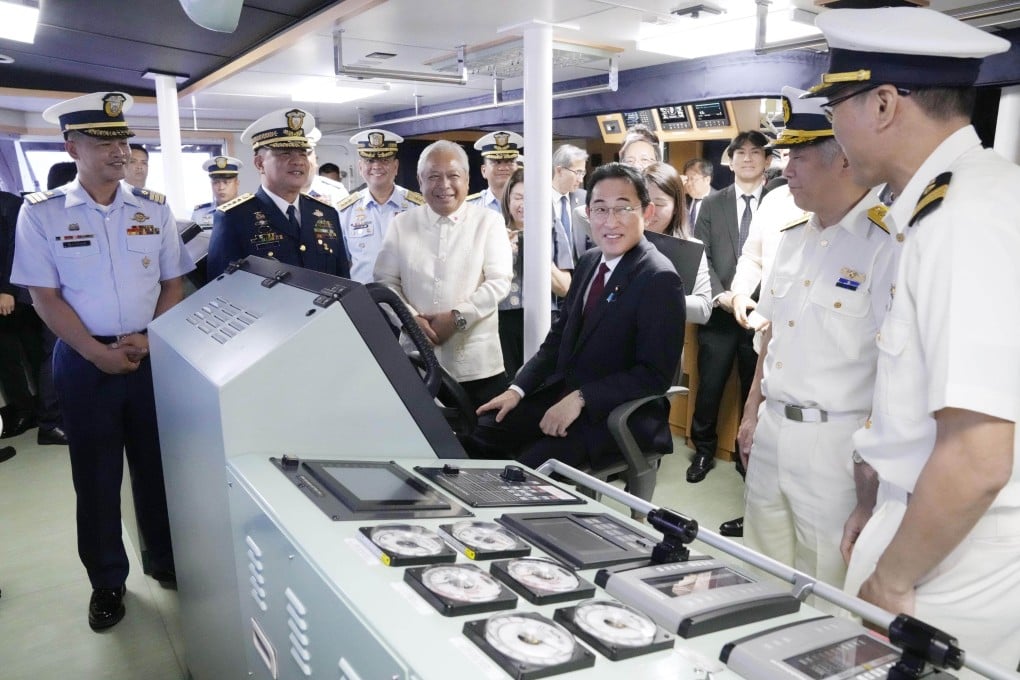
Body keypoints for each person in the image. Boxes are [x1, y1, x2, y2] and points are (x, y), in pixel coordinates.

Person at [810, 7, 1019, 669]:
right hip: (923, 520)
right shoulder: (944, 206)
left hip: (952, 550)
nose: (832, 128)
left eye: (835, 107)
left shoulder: (967, 217)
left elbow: (979, 456)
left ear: (882, 105)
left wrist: (893, 577)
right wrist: (878, 502)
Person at [11, 91, 193, 631]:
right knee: (95, 477)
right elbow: (44, 297)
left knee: (157, 469)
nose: (119, 150)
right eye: (103, 140)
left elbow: (173, 283)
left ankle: (164, 559)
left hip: (149, 355)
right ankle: (108, 580)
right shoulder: (42, 213)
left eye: (123, 139)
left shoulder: (153, 208)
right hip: (83, 360)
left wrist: (150, 339)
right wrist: (96, 352)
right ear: (73, 147)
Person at [737, 87, 895, 611]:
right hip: (772, 433)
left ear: (842, 158)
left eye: (799, 157)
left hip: (837, 446)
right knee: (759, 573)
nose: (786, 170)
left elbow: (893, 371)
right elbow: (772, 336)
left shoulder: (887, 244)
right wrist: (751, 412)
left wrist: (871, 475)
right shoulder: (790, 237)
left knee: (826, 587)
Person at [465, 163, 686, 470]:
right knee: (481, 431)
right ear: (588, 213)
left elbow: (654, 375)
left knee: (530, 469)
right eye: (600, 209)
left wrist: (583, 398)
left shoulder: (659, 277)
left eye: (623, 208)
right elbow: (557, 340)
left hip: (613, 414)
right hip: (562, 394)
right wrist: (517, 390)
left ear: (646, 213)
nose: (610, 221)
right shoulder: (590, 261)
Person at [373, 140, 512, 408]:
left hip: (477, 366)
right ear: (420, 181)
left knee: (479, 432)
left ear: (467, 180)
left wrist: (458, 317)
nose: (444, 185)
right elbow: (385, 282)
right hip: (417, 361)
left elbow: (499, 282)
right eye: (434, 176)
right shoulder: (402, 224)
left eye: (453, 176)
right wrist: (410, 320)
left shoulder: (488, 222)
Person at [688, 130, 771, 485]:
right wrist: (722, 294)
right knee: (710, 387)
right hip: (720, 312)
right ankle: (703, 450)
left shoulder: (780, 201)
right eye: (740, 152)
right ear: (730, 161)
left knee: (756, 389)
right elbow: (701, 256)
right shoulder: (712, 203)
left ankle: (746, 454)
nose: (747, 158)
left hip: (761, 315)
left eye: (756, 152)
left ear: (768, 160)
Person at [207, 109, 350, 279]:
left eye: (303, 153)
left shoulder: (326, 214)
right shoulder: (234, 218)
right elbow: (221, 287)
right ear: (259, 163)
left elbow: (343, 282)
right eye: (285, 153)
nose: (298, 161)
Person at [498, 168, 573, 378]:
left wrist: (534, 247)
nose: (523, 204)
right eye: (518, 197)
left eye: (530, 198)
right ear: (508, 199)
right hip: (503, 321)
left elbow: (565, 287)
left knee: (541, 380)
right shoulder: (494, 229)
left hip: (544, 318)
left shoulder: (553, 229)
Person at [338, 128, 424, 284]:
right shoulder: (345, 211)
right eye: (369, 160)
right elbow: (342, 262)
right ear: (360, 167)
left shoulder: (418, 207)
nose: (377, 166)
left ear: (396, 166)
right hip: (364, 295)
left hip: (408, 294)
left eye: (385, 160)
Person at [641, 162, 712, 326]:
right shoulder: (621, 240)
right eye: (643, 202)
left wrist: (656, 296)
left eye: (659, 204)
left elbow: (703, 309)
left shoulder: (690, 248)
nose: (649, 211)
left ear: (676, 206)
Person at [188, 155, 243, 266]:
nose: (221, 187)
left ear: (237, 183)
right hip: (208, 269)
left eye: (226, 182)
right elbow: (192, 249)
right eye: (216, 182)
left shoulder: (251, 210)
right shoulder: (199, 213)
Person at [551, 143, 590, 265]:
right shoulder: (539, 201)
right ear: (559, 170)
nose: (581, 180)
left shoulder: (584, 198)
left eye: (583, 173)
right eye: (577, 172)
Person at [467, 130, 523, 212]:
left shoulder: (533, 203)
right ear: (483, 171)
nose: (503, 168)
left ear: (517, 168)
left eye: (510, 162)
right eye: (496, 162)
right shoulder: (469, 207)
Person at [304, 128, 350, 209]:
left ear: (315, 158)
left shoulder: (336, 192)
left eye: (307, 154)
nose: (299, 161)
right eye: (287, 154)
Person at [682, 158, 714, 226]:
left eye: (692, 179)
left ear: (707, 180)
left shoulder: (721, 202)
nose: (688, 183)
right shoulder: (682, 200)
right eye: (687, 179)